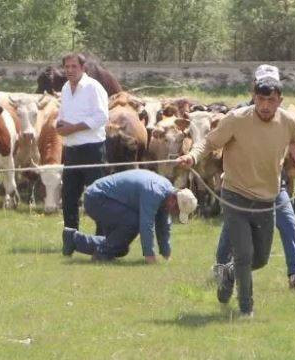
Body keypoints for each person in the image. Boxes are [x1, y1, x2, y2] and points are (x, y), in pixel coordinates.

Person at [177, 72, 295, 318]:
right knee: (244, 254)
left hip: (268, 199)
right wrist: (193, 156)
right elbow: (209, 143)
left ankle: (228, 272)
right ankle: (246, 309)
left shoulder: (289, 122)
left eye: (271, 101)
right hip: (235, 196)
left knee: (260, 259)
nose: (265, 106)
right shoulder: (236, 119)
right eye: (260, 100)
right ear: (254, 97)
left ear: (279, 100)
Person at [213, 64, 295, 289]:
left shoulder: (283, 118)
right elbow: (221, 143)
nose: (266, 102)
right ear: (254, 86)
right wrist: (227, 173)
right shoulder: (239, 113)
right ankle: (221, 270)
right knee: (231, 227)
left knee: (288, 223)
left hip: (274, 184)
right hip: (240, 186)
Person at [62, 169, 197, 263]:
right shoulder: (155, 192)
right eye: (176, 211)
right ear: (173, 200)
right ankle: (100, 252)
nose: (174, 214)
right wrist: (150, 256)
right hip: (96, 198)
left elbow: (163, 223)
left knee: (120, 248)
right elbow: (146, 224)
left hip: (104, 199)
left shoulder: (166, 193)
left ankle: (73, 240)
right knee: (133, 222)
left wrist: (166, 253)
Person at [56, 53, 109, 231]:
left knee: (96, 196)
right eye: (67, 67)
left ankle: (101, 240)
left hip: (92, 150)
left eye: (74, 67)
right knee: (69, 197)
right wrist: (59, 124)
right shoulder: (64, 88)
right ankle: (70, 239)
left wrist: (73, 128)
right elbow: (63, 113)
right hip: (71, 150)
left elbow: (102, 117)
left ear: (83, 68)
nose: (70, 70)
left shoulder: (94, 87)